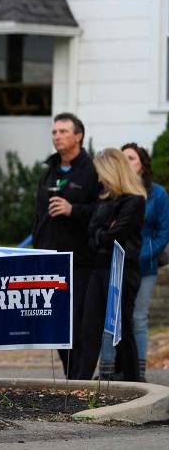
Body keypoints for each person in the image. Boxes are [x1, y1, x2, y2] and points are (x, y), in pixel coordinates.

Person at [32, 112, 99, 378]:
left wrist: (74, 210)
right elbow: (38, 212)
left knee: (81, 322)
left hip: (81, 258)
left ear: (78, 136)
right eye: (54, 132)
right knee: (57, 323)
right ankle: (70, 375)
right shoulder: (49, 170)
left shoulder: (92, 170)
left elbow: (101, 210)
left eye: (63, 131)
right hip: (50, 256)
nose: (57, 136)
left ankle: (80, 379)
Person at [73, 148, 146, 381]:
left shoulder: (135, 201)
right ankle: (80, 380)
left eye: (100, 173)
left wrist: (103, 233)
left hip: (123, 270)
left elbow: (113, 236)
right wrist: (105, 231)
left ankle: (133, 379)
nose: (98, 178)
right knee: (88, 327)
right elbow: (93, 235)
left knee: (121, 329)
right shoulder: (103, 201)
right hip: (99, 267)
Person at [99, 143, 169, 381]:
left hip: (144, 266)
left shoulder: (156, 194)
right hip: (115, 264)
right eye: (123, 158)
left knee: (138, 319)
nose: (127, 162)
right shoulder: (113, 193)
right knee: (110, 318)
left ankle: (137, 372)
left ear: (142, 164)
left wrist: (142, 254)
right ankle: (108, 370)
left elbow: (163, 232)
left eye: (132, 158)